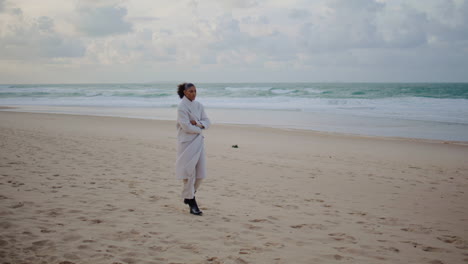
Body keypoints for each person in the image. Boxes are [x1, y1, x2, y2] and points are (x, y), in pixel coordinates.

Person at [175, 82, 211, 215]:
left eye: (195, 91)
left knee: (200, 174)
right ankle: (192, 202)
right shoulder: (181, 107)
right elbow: (186, 127)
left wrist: (198, 123)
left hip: (199, 142)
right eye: (190, 91)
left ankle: (188, 196)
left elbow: (208, 122)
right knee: (189, 173)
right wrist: (199, 128)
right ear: (184, 92)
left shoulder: (199, 105)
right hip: (186, 143)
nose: (194, 93)